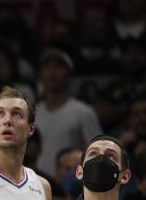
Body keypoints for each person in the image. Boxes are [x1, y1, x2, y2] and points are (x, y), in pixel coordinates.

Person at [34, 48, 102, 177]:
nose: (52, 73)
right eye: (47, 67)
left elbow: (98, 154)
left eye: (59, 67)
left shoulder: (83, 112)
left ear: (69, 74)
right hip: (36, 185)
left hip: (70, 187)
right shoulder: (32, 113)